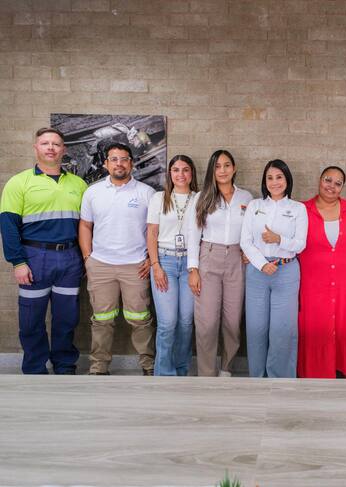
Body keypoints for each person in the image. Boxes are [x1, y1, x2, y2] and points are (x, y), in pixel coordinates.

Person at [0, 127, 87, 374]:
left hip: (71, 258)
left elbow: (87, 226)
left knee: (67, 318)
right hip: (34, 257)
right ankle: (34, 368)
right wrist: (18, 262)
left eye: (56, 144)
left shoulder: (79, 184)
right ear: (35, 148)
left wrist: (85, 258)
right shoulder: (19, 182)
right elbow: (8, 225)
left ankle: (65, 366)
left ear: (64, 150)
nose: (51, 148)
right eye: (45, 143)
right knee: (31, 319)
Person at [79, 142, 156, 375]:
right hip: (101, 265)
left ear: (131, 163)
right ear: (105, 163)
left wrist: (150, 259)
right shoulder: (93, 192)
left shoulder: (147, 193)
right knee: (101, 320)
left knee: (140, 318)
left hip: (136, 266)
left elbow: (154, 230)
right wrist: (88, 258)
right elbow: (85, 225)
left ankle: (149, 366)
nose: (119, 163)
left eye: (124, 159)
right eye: (114, 159)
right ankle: (99, 367)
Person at [298, 166, 346, 378]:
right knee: (317, 328)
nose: (331, 186)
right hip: (313, 285)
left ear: (342, 187)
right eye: (328, 180)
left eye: (338, 183)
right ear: (319, 180)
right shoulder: (301, 210)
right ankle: (318, 374)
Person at [186, 149, 252, 377]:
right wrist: (193, 269)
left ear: (234, 168)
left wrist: (249, 252)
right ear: (211, 171)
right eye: (217, 166)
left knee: (232, 321)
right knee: (207, 321)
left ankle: (226, 369)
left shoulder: (246, 198)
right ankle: (206, 373)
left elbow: (252, 230)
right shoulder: (202, 197)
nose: (222, 170)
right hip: (208, 257)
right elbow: (193, 235)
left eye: (226, 165)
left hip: (236, 260)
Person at [240, 159, 307, 378]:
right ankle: (257, 378)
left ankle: (281, 380)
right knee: (256, 328)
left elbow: (300, 244)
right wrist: (262, 264)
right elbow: (245, 241)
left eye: (279, 177)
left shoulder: (298, 209)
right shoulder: (255, 206)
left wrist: (278, 239)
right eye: (270, 178)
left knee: (283, 329)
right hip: (257, 271)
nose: (274, 182)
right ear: (264, 181)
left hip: (286, 272)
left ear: (287, 180)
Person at [146, 155, 198, 376]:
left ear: (192, 173)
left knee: (186, 322)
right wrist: (156, 265)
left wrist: (195, 268)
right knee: (167, 323)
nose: (180, 174)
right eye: (176, 170)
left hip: (190, 264)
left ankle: (181, 370)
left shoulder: (199, 198)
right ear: (170, 173)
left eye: (185, 170)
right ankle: (164, 373)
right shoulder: (159, 198)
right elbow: (152, 233)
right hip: (164, 261)